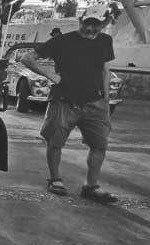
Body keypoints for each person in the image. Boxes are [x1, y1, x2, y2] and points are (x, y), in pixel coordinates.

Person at [21, 14, 118, 203]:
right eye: (87, 23)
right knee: (55, 142)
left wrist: (106, 101)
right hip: (64, 101)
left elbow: (105, 70)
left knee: (99, 145)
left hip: (95, 103)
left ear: (104, 23)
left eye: (96, 24)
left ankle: (91, 185)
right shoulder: (61, 41)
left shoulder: (106, 41)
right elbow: (27, 58)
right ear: (80, 21)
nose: (90, 29)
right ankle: (55, 179)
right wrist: (52, 76)